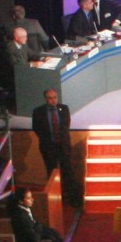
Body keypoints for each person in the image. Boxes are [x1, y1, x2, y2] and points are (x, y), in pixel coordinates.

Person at [31, 87, 82, 215]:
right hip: (48, 147)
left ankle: (72, 199)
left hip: (63, 146)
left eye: (54, 97)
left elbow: (66, 126)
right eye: (50, 98)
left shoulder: (64, 109)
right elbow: (36, 128)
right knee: (52, 172)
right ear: (45, 99)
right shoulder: (38, 111)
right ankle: (55, 200)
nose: (53, 100)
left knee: (68, 171)